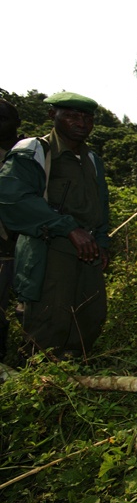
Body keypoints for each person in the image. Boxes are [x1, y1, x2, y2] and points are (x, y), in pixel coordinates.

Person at [0, 92, 110, 359]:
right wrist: (68, 228)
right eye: (71, 116)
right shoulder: (33, 152)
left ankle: (75, 372)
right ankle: (40, 376)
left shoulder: (92, 160)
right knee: (48, 321)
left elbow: (100, 206)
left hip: (88, 253)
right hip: (48, 249)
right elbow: (13, 198)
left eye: (87, 118)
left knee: (88, 318)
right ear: (53, 115)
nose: (81, 123)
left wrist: (102, 242)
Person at [0, 99, 22, 355]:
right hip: (3, 247)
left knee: (32, 307)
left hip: (33, 243)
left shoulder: (35, 152)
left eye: (3, 119)